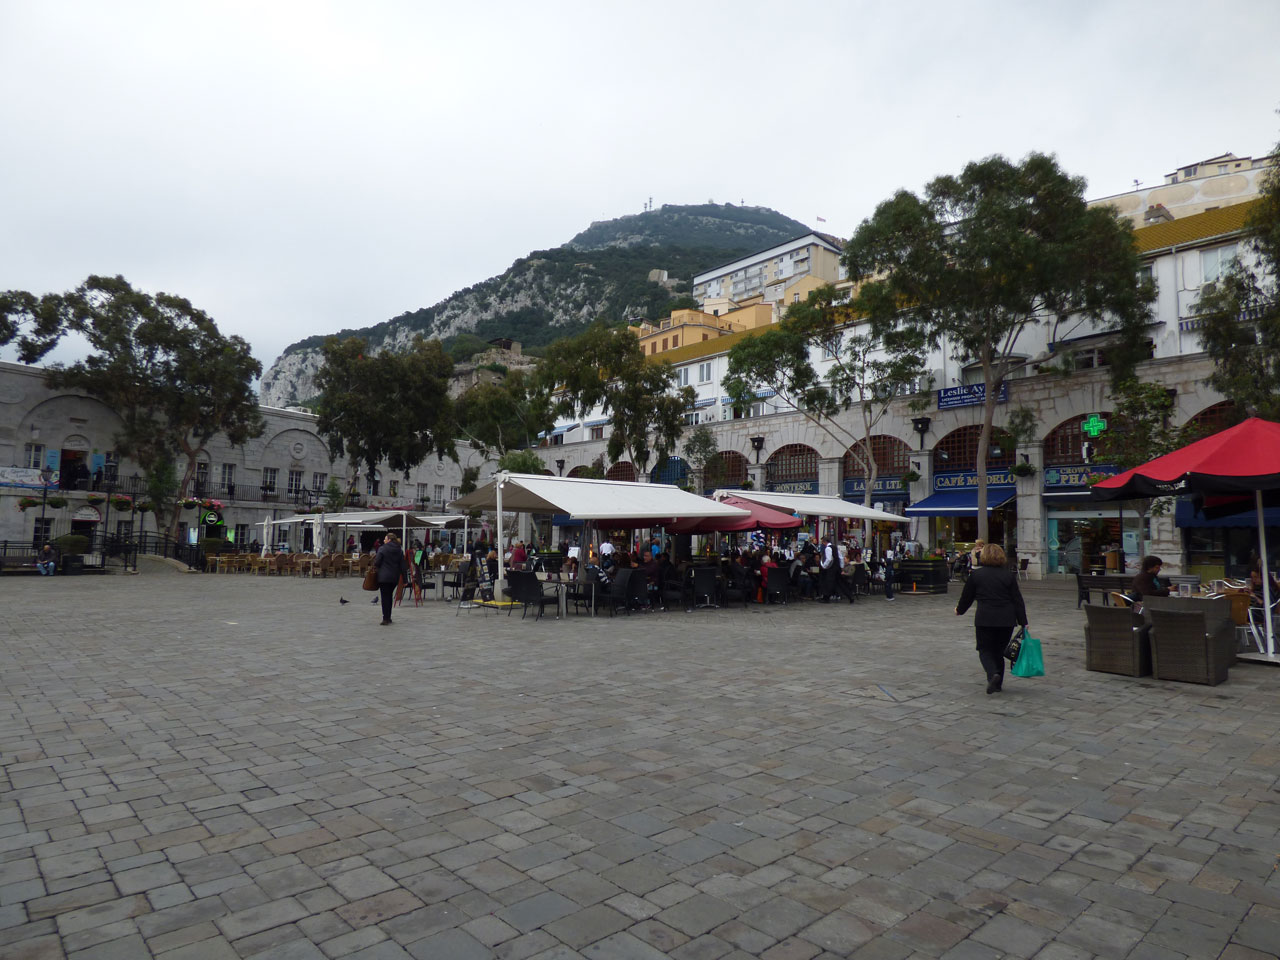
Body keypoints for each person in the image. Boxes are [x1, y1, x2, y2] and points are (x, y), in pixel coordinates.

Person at [955, 543, 1028, 694]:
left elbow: (967, 597)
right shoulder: (1008, 575)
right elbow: (1017, 600)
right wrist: (1023, 621)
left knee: (984, 649)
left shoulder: (976, 575)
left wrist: (959, 610)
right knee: (999, 650)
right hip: (1006, 619)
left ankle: (992, 674)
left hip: (985, 618)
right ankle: (998, 683)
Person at [373, 534, 407, 625]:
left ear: (389, 540)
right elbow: (403, 565)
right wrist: (405, 579)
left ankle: (385, 618)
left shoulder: (382, 548)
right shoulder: (399, 550)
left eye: (385, 539)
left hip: (383, 577)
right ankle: (389, 617)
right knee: (389, 596)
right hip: (394, 577)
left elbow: (377, 562)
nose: (384, 540)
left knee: (385, 597)